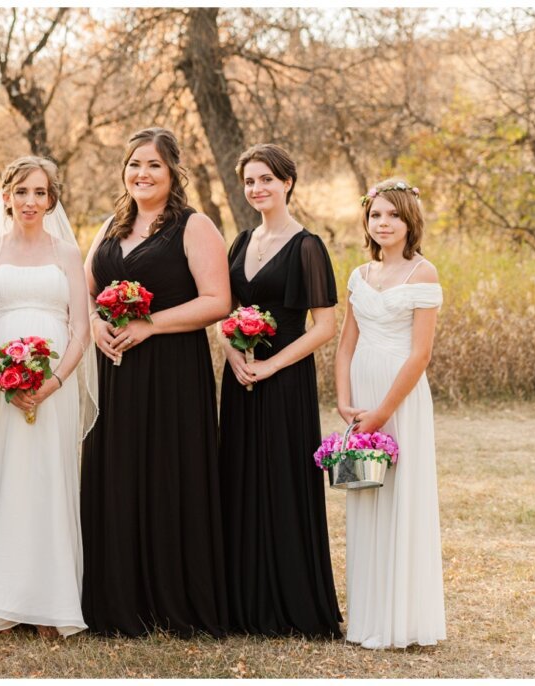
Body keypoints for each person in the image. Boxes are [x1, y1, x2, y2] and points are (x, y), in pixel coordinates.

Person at [80, 127, 232, 637]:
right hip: (115, 372)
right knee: (117, 471)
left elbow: (217, 301)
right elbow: (84, 291)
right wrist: (97, 323)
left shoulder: (194, 226)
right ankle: (116, 598)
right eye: (134, 165)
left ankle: (172, 599)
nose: (142, 174)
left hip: (171, 371)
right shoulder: (110, 224)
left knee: (169, 473)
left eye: (154, 166)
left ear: (172, 173)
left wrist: (150, 325)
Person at [0, 156, 98, 639]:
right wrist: (3, 377)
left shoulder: (67, 253)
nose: (30, 201)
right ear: (6, 195)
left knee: (46, 478)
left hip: (54, 387)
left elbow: (80, 329)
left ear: (52, 198)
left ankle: (47, 604)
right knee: (2, 476)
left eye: (40, 192)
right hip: (0, 389)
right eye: (21, 191)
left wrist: (52, 382)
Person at [217, 143, 343, 638]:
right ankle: (242, 602)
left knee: (283, 480)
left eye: (266, 178)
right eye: (250, 181)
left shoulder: (308, 245)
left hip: (285, 379)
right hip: (239, 376)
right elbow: (224, 313)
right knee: (239, 478)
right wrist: (234, 357)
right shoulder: (241, 241)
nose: (257, 188)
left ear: (288, 182)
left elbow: (324, 327)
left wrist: (270, 367)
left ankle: (290, 600)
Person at [335, 179, 446, 649]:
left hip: (399, 395)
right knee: (365, 492)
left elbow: (420, 355)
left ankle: (401, 619)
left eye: (393, 215)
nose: (383, 223)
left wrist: (381, 414)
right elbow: (344, 346)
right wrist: (345, 401)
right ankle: (367, 615)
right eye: (376, 215)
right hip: (362, 391)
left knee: (400, 494)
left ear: (410, 221)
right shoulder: (359, 276)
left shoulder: (423, 275)